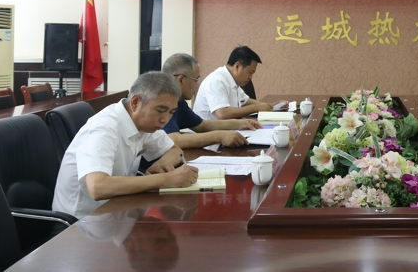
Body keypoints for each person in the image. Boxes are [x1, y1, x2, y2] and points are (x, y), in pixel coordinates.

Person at [53, 72, 199, 219]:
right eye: (160, 111)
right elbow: (97, 187)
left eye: (171, 112)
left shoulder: (142, 122)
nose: (165, 119)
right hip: (82, 222)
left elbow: (174, 150)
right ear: (135, 102)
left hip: (117, 210)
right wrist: (166, 179)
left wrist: (160, 166)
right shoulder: (104, 129)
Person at [161, 53, 262, 149]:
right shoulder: (162, 102)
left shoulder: (180, 103)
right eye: (196, 80)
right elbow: (174, 140)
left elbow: (202, 125)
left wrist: (240, 123)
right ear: (180, 79)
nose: (198, 85)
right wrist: (219, 136)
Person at [193, 46, 273, 120]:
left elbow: (245, 101)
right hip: (209, 130)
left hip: (226, 128)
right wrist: (255, 108)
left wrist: (270, 106)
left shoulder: (233, 80)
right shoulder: (216, 81)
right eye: (250, 72)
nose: (251, 77)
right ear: (237, 66)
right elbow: (222, 114)